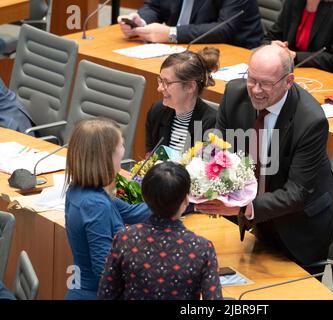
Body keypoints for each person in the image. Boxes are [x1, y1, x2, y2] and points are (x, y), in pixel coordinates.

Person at [196, 44, 333, 270]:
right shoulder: (235, 94)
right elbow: (218, 148)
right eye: (251, 79)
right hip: (257, 217)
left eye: (265, 83)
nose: (255, 90)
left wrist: (243, 208)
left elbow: (297, 193)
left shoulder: (310, 120)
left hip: (302, 226)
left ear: (289, 81)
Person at [98, 161, 223, 300]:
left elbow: (106, 294)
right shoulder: (202, 248)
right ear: (186, 200)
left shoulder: (125, 239)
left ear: (144, 196)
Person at [64, 118, 152, 300]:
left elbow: (133, 213)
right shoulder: (96, 205)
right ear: (106, 155)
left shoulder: (80, 190)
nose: (123, 151)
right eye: (121, 145)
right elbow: (105, 269)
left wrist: (181, 199)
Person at [145, 48, 218, 153]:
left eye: (167, 83)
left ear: (190, 86)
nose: (159, 88)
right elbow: (149, 160)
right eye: (160, 80)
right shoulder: (157, 112)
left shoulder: (212, 125)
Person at [117, 0, 264, 49]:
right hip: (182, 49)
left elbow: (224, 28)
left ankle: (196, 123)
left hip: (233, 53)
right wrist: (139, 23)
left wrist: (172, 34)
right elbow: (154, 6)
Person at [264, 0, 333, 76]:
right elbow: (269, 38)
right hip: (293, 74)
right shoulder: (292, 2)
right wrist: (272, 45)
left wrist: (295, 56)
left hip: (327, 78)